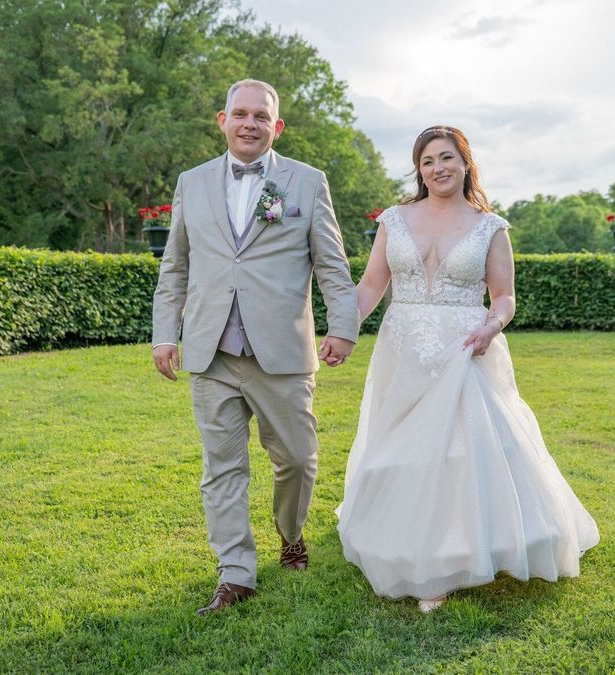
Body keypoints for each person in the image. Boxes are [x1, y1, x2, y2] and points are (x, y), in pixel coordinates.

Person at [337, 125, 600, 612]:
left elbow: (504, 298)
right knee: (400, 449)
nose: (438, 168)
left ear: (465, 163)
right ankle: (407, 546)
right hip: (405, 348)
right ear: (419, 170)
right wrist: (342, 327)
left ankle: (448, 563)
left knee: (460, 452)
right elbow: (372, 285)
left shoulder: (490, 227)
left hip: (465, 347)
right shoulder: (393, 220)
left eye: (446, 158)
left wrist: (491, 327)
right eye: (427, 161)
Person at [152, 79, 360, 616]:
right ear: (222, 120)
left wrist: (343, 326)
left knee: (297, 459)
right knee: (222, 468)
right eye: (239, 114)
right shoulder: (191, 183)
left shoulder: (307, 183)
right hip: (211, 351)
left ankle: (290, 533)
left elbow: (333, 268)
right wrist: (163, 333)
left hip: (282, 352)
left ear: (277, 126)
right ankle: (236, 573)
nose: (249, 124)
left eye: (260, 117)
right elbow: (175, 265)